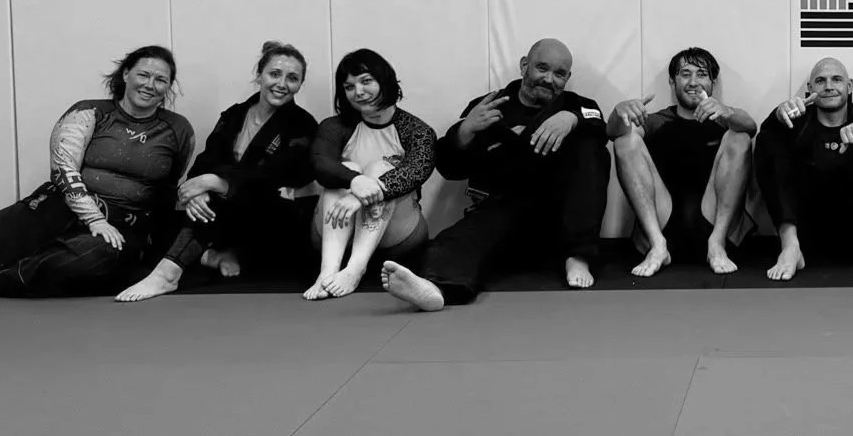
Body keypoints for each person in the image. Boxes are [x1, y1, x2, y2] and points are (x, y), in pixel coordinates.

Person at [0, 46, 194, 298]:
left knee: (84, 260)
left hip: (119, 228)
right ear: (126, 74)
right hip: (53, 209)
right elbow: (62, 170)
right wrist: (94, 219)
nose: (150, 85)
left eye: (161, 79)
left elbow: (167, 187)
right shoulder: (89, 111)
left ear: (168, 86)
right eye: (143, 75)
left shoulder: (178, 130)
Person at [381, 39, 611, 311]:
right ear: (524, 65)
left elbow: (597, 121)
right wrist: (465, 131)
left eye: (559, 74)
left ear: (567, 78)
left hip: (561, 223)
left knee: (591, 146)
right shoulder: (489, 106)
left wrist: (571, 118)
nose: (549, 79)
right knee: (458, 240)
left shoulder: (575, 104)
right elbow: (450, 168)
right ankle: (435, 289)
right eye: (542, 68)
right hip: (503, 214)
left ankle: (579, 256)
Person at [117, 42, 320, 302]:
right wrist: (196, 192)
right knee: (165, 214)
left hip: (271, 218)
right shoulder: (235, 115)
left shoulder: (302, 124)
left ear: (300, 84)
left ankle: (166, 276)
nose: (282, 83)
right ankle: (213, 256)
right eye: (274, 74)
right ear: (259, 75)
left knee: (217, 199)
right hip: (227, 215)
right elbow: (205, 162)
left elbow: (278, 174)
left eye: (292, 78)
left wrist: (218, 182)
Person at [754, 57, 853, 280]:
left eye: (836, 79)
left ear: (849, 87)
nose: (829, 86)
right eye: (820, 81)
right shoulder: (796, 122)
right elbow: (766, 135)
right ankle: (790, 248)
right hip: (807, 228)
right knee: (766, 141)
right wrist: (777, 115)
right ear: (810, 89)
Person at [609, 47, 756, 276]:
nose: (693, 82)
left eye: (701, 74)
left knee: (739, 136)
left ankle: (716, 244)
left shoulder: (725, 119)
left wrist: (726, 111)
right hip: (663, 221)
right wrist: (618, 113)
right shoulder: (658, 121)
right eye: (685, 74)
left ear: (713, 82)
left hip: (715, 220)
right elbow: (615, 132)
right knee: (625, 140)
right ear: (672, 81)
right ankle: (657, 247)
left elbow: (750, 126)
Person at [303, 48, 431, 299]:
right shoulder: (334, 126)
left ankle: (355, 268)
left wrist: (361, 193)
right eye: (349, 86)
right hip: (336, 235)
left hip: (397, 237)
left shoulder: (417, 130)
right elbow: (319, 163)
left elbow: (417, 171)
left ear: (384, 80)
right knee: (347, 169)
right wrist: (355, 180)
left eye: (366, 81)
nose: (358, 92)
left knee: (381, 168)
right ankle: (327, 271)